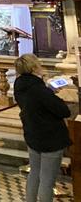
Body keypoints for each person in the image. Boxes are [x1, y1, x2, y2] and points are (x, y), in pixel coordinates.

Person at [14, 54, 71, 202]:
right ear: (33, 68)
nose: (41, 66)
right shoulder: (39, 90)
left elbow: (35, 104)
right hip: (49, 138)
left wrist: (47, 90)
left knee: (35, 173)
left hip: (33, 134)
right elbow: (64, 111)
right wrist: (50, 93)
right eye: (39, 64)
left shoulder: (20, 85)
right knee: (47, 181)